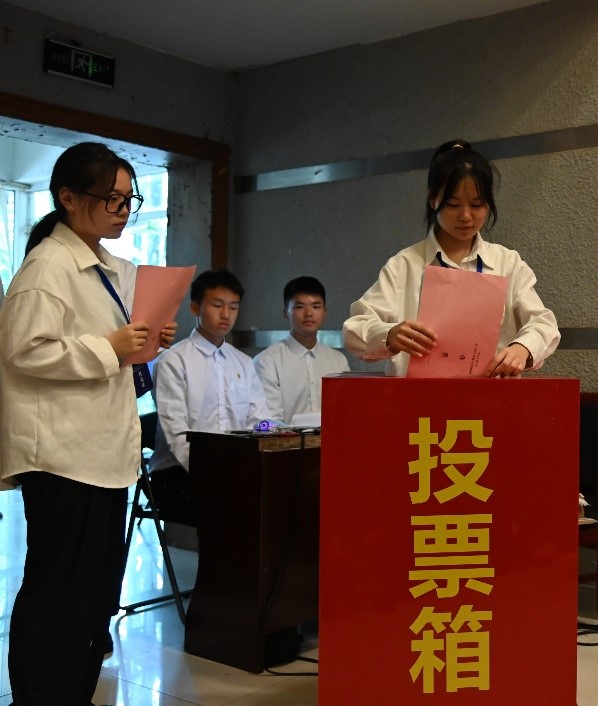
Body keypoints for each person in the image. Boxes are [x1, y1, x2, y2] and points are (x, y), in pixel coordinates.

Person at [0, 142, 175, 705]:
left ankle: (72, 694)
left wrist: (145, 339)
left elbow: (116, 344)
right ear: (69, 198)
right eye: (111, 199)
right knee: (57, 591)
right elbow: (23, 350)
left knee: (93, 596)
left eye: (129, 199)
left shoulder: (108, 266)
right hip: (61, 454)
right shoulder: (47, 266)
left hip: (100, 453)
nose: (123, 211)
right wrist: (110, 347)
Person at [344, 139, 560, 377]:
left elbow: (544, 324)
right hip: (418, 398)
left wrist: (523, 348)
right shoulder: (404, 265)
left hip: (490, 397)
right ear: (433, 199)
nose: (465, 216)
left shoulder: (507, 263)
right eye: (453, 204)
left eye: (476, 205)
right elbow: (355, 329)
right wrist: (389, 335)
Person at [149, 269, 271, 525]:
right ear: (195, 307)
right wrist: (216, 473)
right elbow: (177, 432)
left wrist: (269, 434)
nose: (226, 314)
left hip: (235, 467)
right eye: (217, 305)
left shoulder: (243, 362)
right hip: (177, 473)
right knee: (227, 503)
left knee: (277, 496)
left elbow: (260, 420)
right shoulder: (173, 361)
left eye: (233, 307)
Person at [253, 276, 350, 423]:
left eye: (316, 307)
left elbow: (347, 410)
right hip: (284, 438)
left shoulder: (339, 361)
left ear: (325, 313)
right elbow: (269, 421)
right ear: (285, 313)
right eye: (299, 307)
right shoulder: (266, 361)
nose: (309, 313)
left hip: (334, 438)